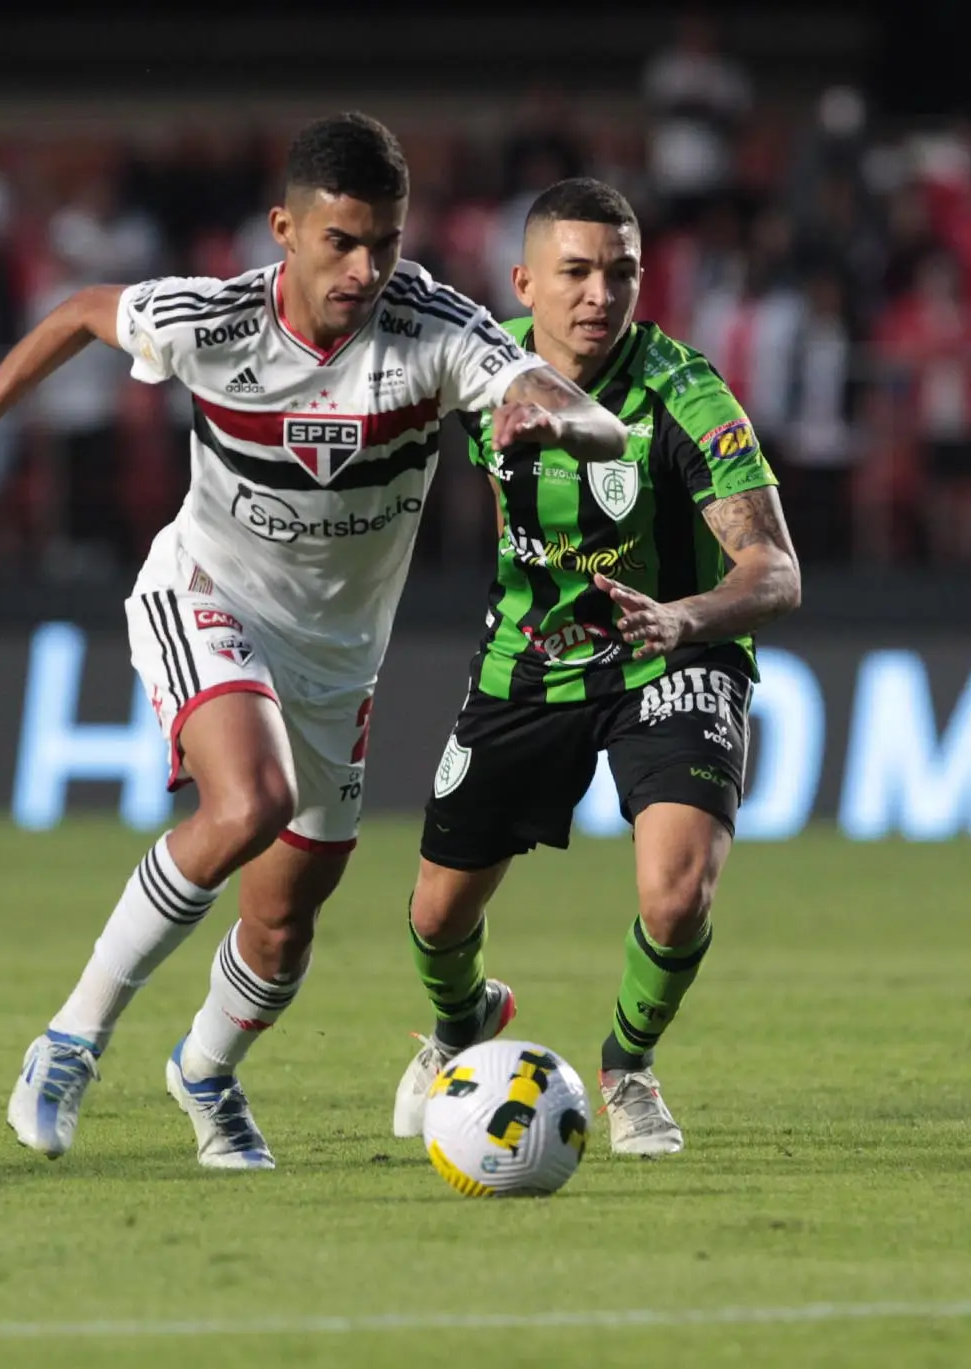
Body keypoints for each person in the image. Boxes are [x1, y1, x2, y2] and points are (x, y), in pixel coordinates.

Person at [0, 112, 628, 1171]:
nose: (365, 269)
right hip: (205, 594)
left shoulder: (434, 328)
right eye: (341, 242)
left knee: (283, 923)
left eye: (385, 243)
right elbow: (81, 312)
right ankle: (69, 1040)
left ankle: (206, 1072)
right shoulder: (216, 321)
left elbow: (588, 415)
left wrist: (552, 418)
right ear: (285, 229)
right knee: (247, 803)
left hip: (336, 663)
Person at [390, 178, 799, 1156]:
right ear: (524, 282)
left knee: (677, 891)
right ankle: (460, 1020)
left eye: (621, 272)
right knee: (437, 917)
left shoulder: (686, 395)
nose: (598, 294)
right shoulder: (479, 368)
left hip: (671, 652)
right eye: (574, 272)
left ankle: (627, 1067)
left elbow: (775, 569)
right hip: (528, 657)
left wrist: (683, 616)